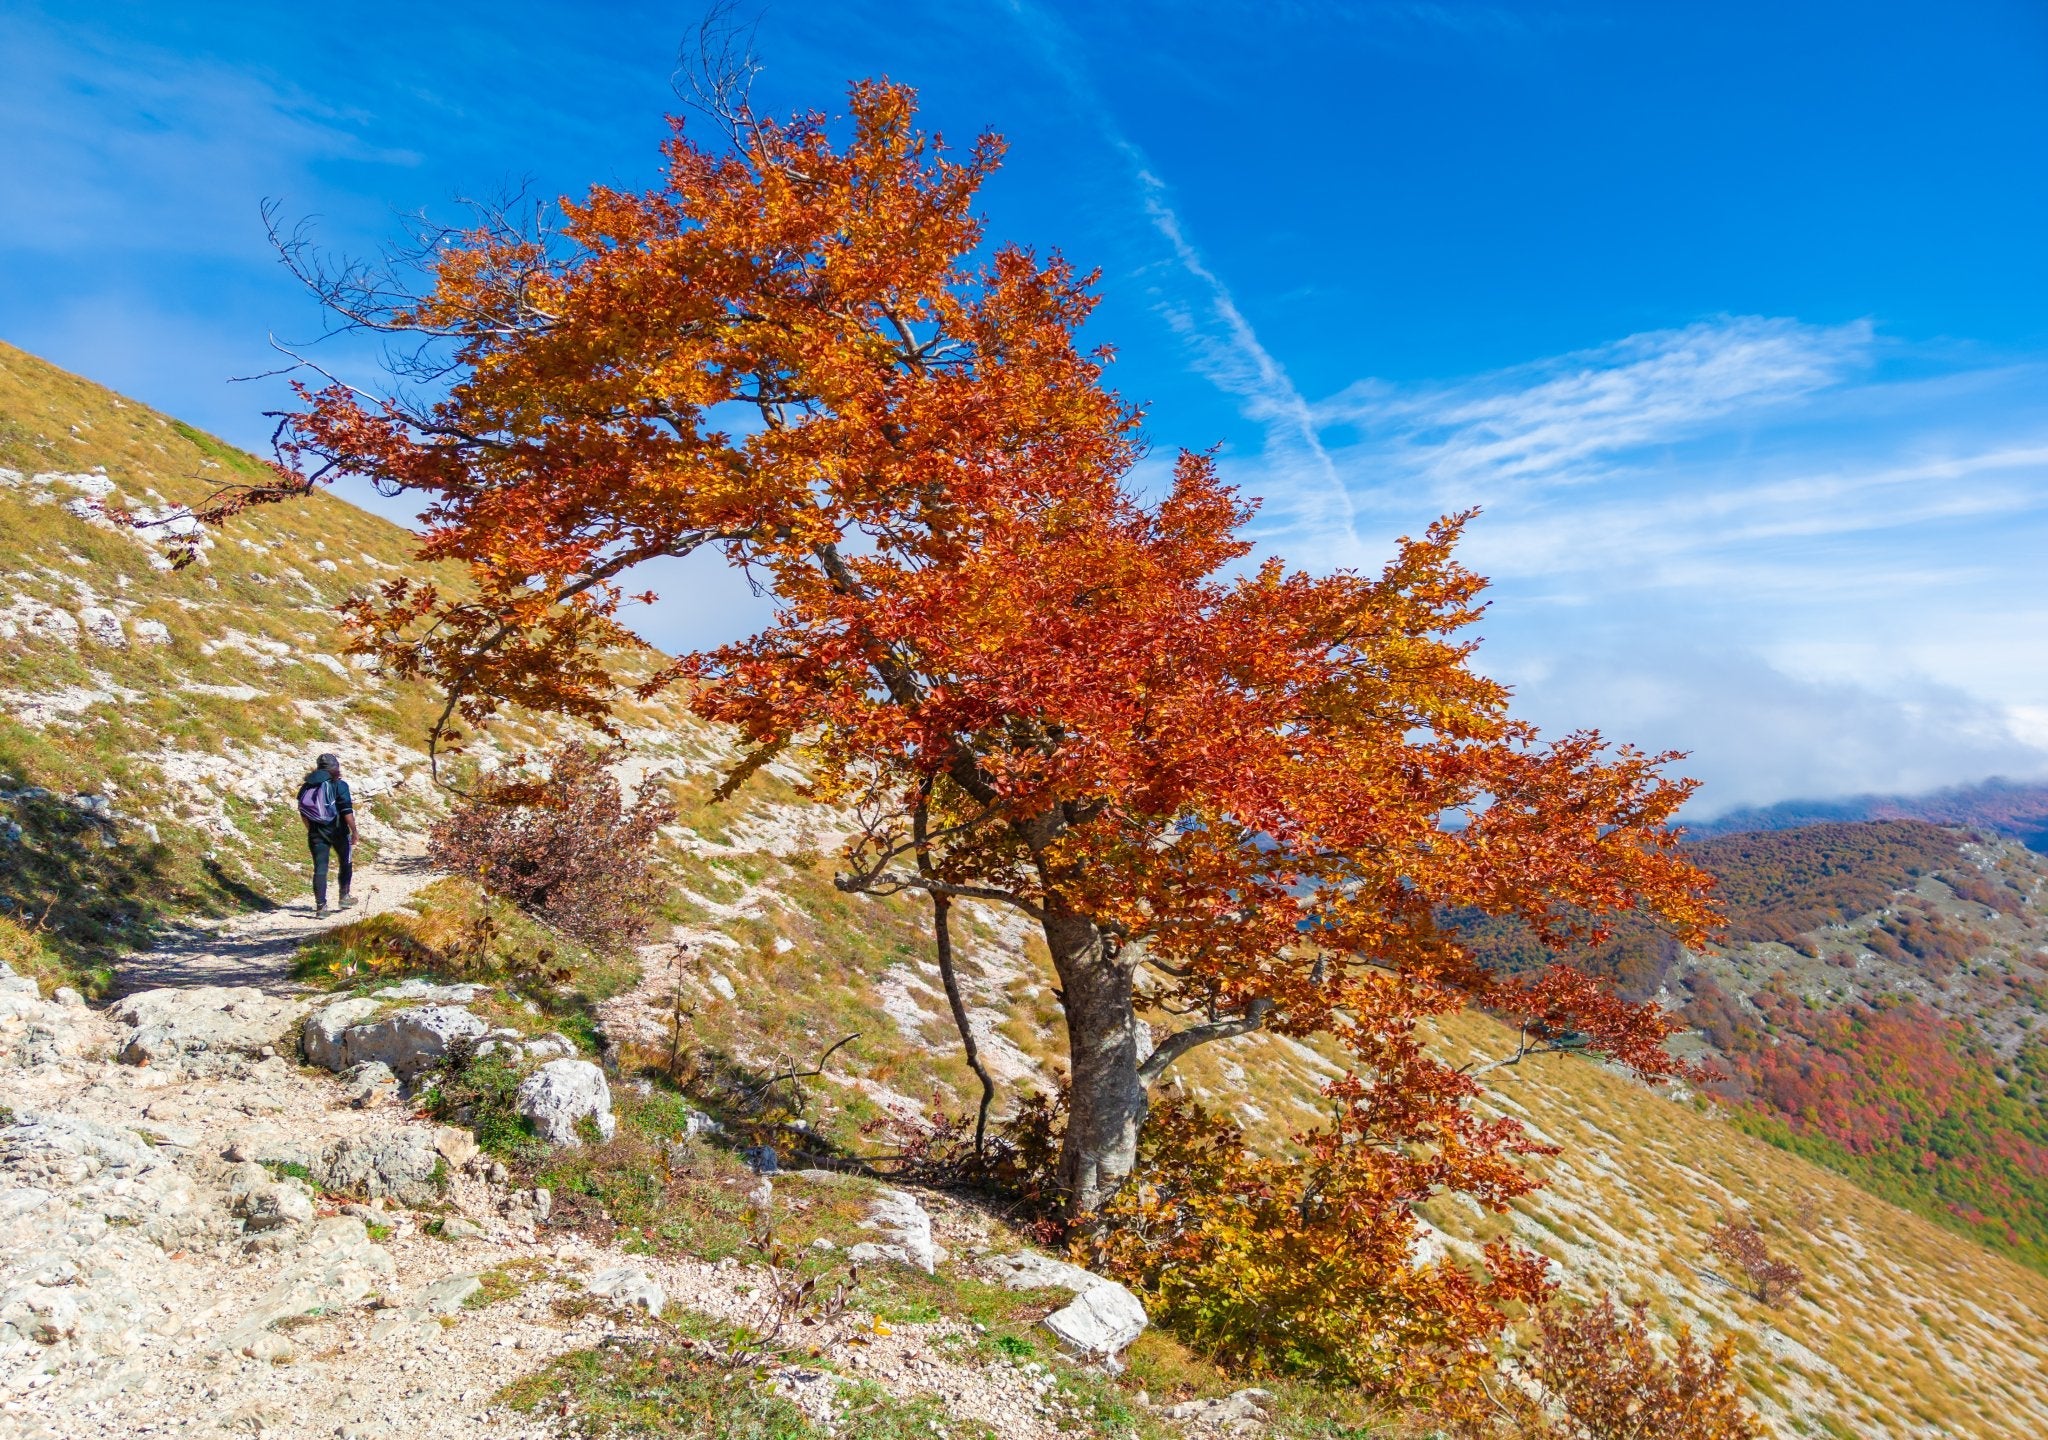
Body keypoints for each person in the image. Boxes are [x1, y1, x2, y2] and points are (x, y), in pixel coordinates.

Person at [297, 752, 357, 919]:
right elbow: (346, 810)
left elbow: (303, 811)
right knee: (346, 861)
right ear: (335, 767)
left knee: (320, 869)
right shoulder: (339, 785)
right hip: (338, 831)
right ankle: (344, 896)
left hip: (316, 832)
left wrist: (311, 829)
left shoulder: (307, 786)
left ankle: (321, 907)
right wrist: (354, 830)